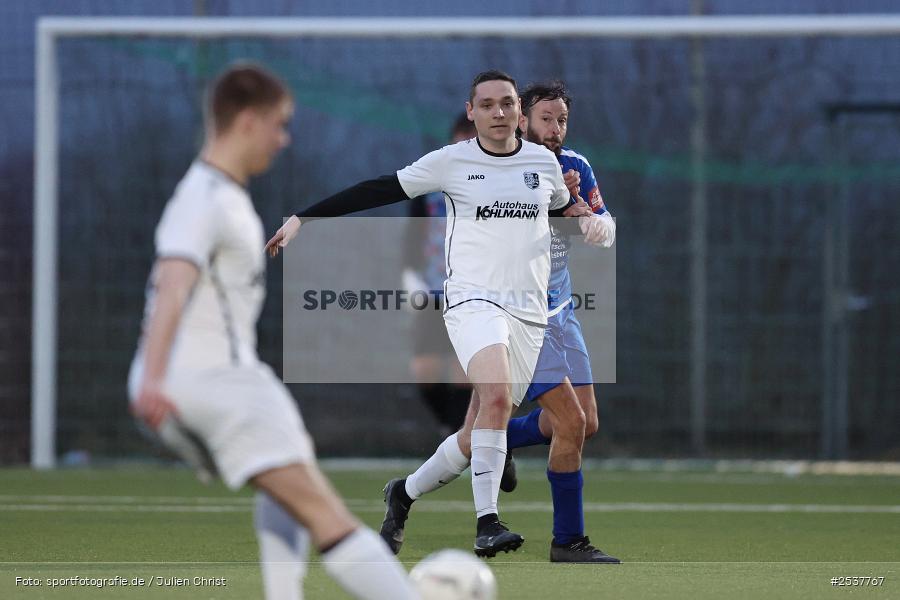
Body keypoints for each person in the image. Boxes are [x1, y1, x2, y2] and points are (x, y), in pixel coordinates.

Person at [267, 70, 606, 557]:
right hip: (471, 302)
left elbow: (560, 209)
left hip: (531, 315)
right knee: (494, 399)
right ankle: (488, 523)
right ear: (471, 112)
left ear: (519, 112)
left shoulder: (543, 165)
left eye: (507, 103)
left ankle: (403, 493)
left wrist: (587, 219)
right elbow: (379, 188)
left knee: (477, 434)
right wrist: (304, 217)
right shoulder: (452, 162)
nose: (498, 112)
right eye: (486, 104)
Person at [127, 64, 417, 600]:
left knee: (282, 480)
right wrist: (152, 373)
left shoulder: (219, 193)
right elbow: (172, 282)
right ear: (245, 121)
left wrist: (151, 373)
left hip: (202, 378)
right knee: (327, 515)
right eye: (278, 125)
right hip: (217, 381)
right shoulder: (208, 197)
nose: (283, 140)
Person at [379, 80, 620, 564]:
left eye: (563, 120)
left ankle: (407, 490)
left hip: (560, 314)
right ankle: (567, 540)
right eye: (546, 118)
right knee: (566, 420)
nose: (556, 128)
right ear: (523, 120)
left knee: (578, 423)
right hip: (510, 313)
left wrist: (595, 224)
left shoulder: (571, 166)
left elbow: (602, 225)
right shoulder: (500, 165)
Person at [402, 113, 476, 438]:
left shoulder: (496, 187)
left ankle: (463, 439)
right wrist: (409, 275)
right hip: (433, 291)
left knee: (466, 372)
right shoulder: (431, 186)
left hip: (474, 292)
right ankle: (455, 431)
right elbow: (413, 234)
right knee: (425, 370)